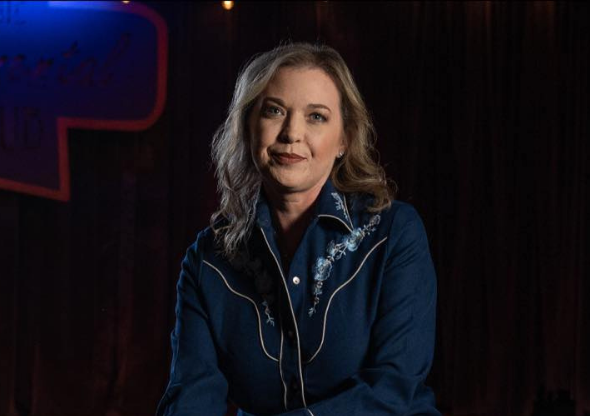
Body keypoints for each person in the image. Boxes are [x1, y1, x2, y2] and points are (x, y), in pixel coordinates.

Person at [156, 42, 439, 416]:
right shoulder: (207, 260)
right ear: (248, 127)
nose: (291, 133)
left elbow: (392, 391)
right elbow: (192, 397)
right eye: (274, 111)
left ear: (344, 140)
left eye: (316, 116)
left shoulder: (395, 233)